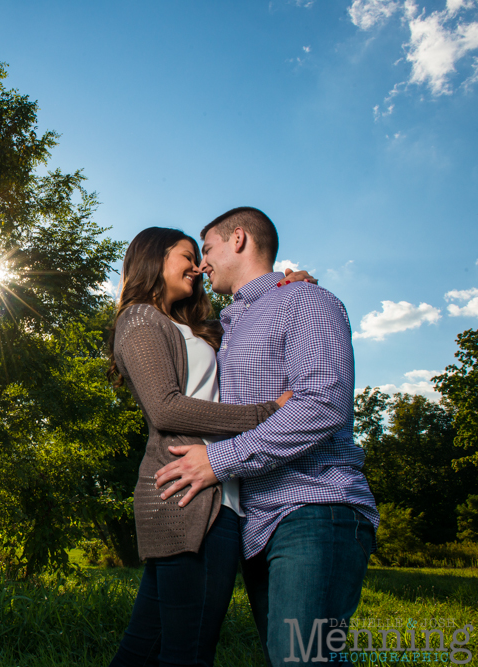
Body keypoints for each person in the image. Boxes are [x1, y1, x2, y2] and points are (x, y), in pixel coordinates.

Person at [154, 207, 378, 667]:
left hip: (316, 507)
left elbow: (322, 403)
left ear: (238, 239)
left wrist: (219, 461)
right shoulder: (230, 324)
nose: (201, 264)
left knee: (304, 660)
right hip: (258, 525)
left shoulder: (303, 302)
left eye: (208, 249)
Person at [107, 226, 304, 667]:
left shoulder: (190, 325)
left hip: (214, 492)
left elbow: (248, 320)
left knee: (145, 645)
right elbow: (165, 409)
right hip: (189, 496)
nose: (197, 267)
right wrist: (266, 412)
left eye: (200, 257)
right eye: (186, 256)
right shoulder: (140, 319)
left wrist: (284, 284)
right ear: (153, 259)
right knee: (189, 651)